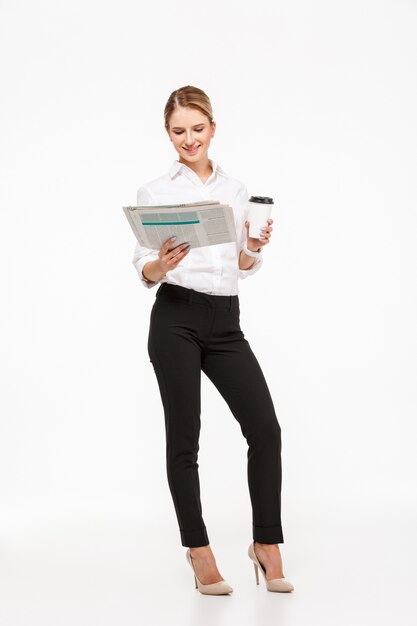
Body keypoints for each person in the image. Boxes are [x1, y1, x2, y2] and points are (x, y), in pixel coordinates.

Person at [131, 85, 294, 595]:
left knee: (265, 429)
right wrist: (163, 263)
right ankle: (199, 552)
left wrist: (251, 248)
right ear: (168, 134)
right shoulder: (155, 191)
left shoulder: (236, 189)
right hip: (175, 318)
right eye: (179, 131)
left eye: (197, 129)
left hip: (225, 321)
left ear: (213, 128)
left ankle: (266, 544)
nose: (189, 139)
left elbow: (242, 268)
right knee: (186, 439)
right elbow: (143, 266)